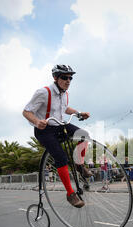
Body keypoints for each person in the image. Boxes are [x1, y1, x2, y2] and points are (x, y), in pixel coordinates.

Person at [22, 65, 92, 208]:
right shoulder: (43, 92)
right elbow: (26, 112)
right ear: (56, 78)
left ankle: (79, 164)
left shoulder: (65, 93)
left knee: (84, 135)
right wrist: (36, 121)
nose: (68, 81)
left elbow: (64, 108)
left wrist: (79, 113)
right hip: (45, 130)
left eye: (70, 78)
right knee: (61, 158)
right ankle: (70, 194)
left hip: (59, 125)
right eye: (64, 77)